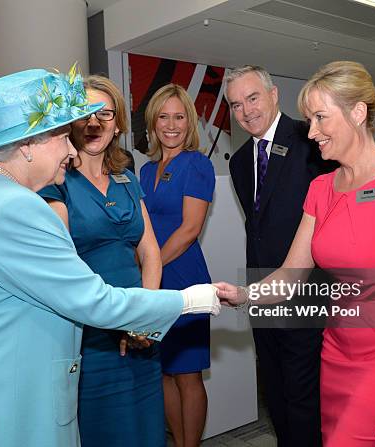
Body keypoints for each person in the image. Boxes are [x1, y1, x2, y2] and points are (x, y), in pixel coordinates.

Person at [0, 66, 220, 447]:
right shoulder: (19, 209)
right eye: (62, 137)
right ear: (29, 144)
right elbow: (91, 299)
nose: (71, 148)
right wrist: (195, 299)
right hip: (10, 398)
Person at [218, 61, 375, 446]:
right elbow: (290, 274)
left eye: (320, 117)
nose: (312, 131)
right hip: (336, 350)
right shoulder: (321, 188)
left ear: (357, 112)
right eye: (309, 119)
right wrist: (243, 295)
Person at [38, 74, 166, 446]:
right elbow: (59, 266)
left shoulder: (127, 178)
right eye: (85, 113)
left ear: (118, 125)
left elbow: (150, 252)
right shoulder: (56, 181)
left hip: (140, 326)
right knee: (105, 429)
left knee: (146, 426)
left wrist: (145, 315)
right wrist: (115, 319)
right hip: (90, 330)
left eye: (105, 114)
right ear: (71, 122)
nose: (94, 123)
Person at [224, 65, 327, 446]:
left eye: (252, 98)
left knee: (303, 397)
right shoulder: (238, 163)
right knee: (275, 391)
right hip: (261, 296)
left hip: (306, 295)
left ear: (274, 94)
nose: (247, 111)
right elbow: (259, 229)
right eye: (236, 105)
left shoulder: (310, 140)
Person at [140, 83, 215, 447]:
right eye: (163, 117)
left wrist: (149, 268)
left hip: (184, 276)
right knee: (163, 372)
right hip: (154, 279)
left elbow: (189, 229)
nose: (171, 125)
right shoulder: (145, 171)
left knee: (188, 374)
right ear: (153, 124)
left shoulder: (198, 164)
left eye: (179, 117)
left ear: (190, 122)